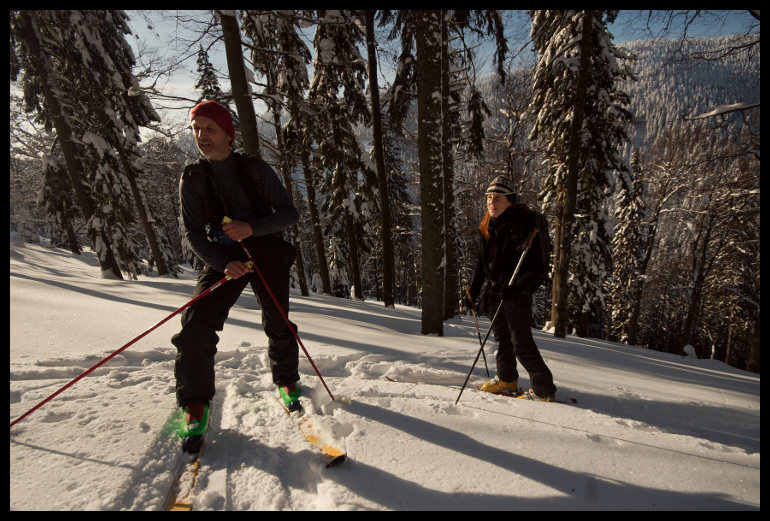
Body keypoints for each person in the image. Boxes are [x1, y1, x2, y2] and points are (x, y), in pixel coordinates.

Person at [173, 100, 301, 442]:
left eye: (209, 128)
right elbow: (193, 234)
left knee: (278, 319)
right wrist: (221, 263)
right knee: (196, 323)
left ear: (228, 134)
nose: (202, 135)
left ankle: (287, 380)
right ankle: (195, 402)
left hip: (266, 250)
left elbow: (289, 213)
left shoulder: (255, 170)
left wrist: (252, 228)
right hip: (222, 257)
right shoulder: (193, 178)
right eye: (196, 129)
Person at [466, 176, 557, 402]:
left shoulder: (525, 226)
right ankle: (507, 379)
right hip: (495, 293)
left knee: (521, 343)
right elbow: (482, 264)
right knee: (502, 339)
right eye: (489, 197)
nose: (491, 202)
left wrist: (517, 289)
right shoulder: (488, 226)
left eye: (498, 198)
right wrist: (473, 292)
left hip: (515, 294)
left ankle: (544, 390)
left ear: (510, 201)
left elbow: (538, 269)